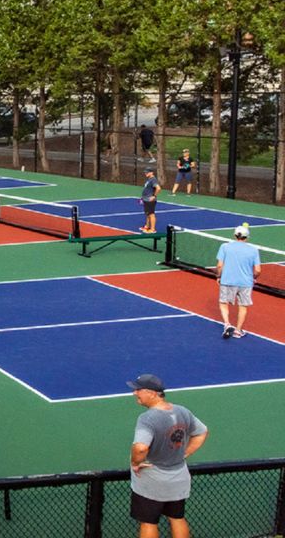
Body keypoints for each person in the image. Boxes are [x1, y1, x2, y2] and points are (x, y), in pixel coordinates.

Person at [127, 374, 208, 538]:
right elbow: (202, 432)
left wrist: (135, 462)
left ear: (151, 393)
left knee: (148, 522)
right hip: (178, 477)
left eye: (138, 390)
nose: (135, 393)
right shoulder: (182, 411)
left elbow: (141, 448)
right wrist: (185, 453)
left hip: (153, 481)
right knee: (177, 518)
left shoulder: (147, 419)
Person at [215, 223, 261, 339]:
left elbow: (220, 266)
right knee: (243, 306)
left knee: (223, 303)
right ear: (247, 237)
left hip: (227, 280)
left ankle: (227, 324)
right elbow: (258, 270)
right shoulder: (254, 250)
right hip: (246, 283)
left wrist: (218, 276)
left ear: (235, 235)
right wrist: (254, 278)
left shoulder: (224, 247)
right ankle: (238, 331)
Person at [140, 168, 160, 234]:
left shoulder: (153, 180)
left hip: (150, 200)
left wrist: (154, 196)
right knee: (148, 213)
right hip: (146, 199)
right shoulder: (149, 179)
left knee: (151, 214)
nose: (146, 173)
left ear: (151, 173)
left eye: (147, 172)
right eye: (145, 172)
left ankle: (152, 229)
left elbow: (158, 188)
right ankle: (147, 226)